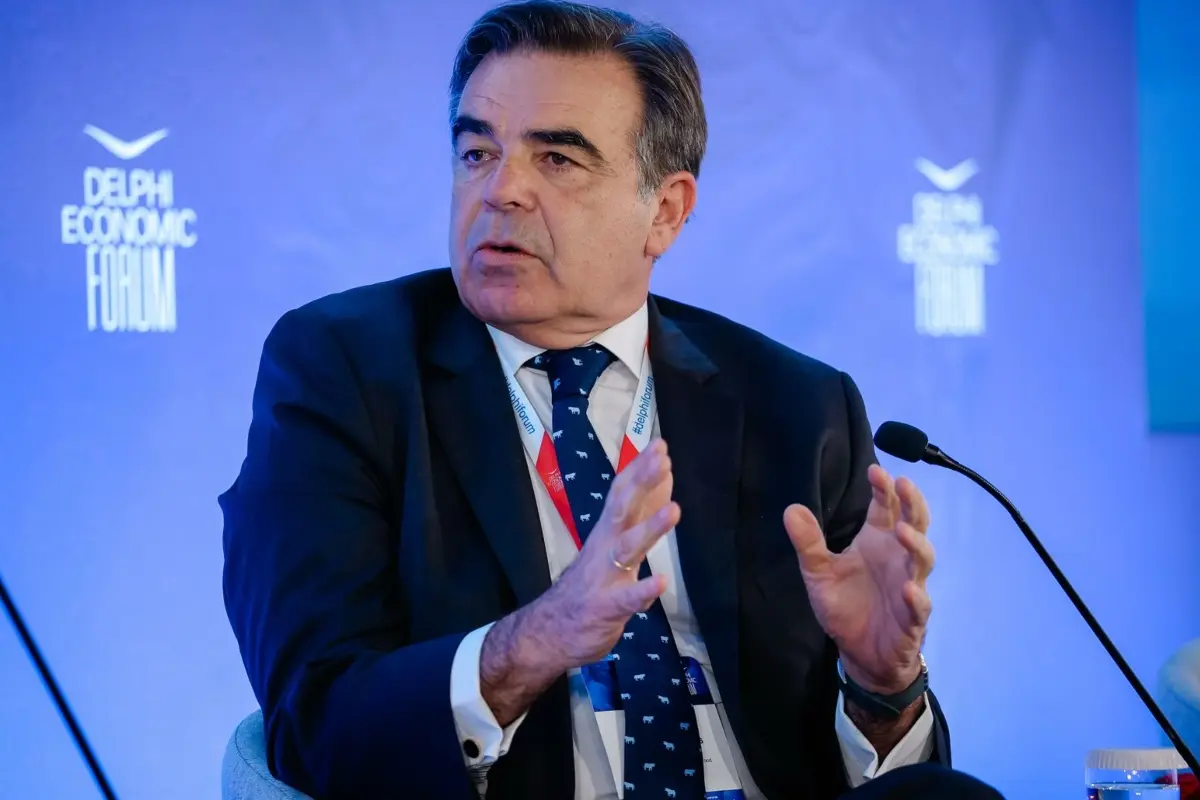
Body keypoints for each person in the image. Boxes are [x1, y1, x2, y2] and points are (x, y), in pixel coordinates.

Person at [220, 2, 1005, 798]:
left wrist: (882, 686)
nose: (501, 191)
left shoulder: (797, 406)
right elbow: (312, 722)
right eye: (477, 152)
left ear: (665, 210)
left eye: (557, 159)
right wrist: (538, 638)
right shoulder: (347, 371)